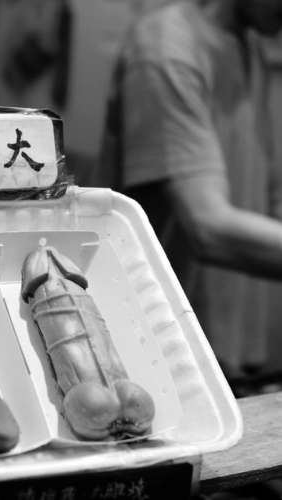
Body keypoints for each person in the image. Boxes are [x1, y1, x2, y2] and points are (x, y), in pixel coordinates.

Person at [94, 0, 282, 386]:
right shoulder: (166, 48)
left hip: (223, 346)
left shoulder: (250, 42)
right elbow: (207, 227)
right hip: (159, 345)